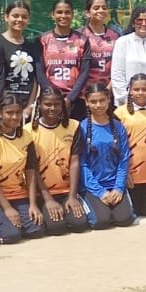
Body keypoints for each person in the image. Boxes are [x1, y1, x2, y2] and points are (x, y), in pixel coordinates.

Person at [0, 94, 45, 244]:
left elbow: (30, 171)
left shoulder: (26, 136)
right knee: (11, 236)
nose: (14, 117)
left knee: (37, 230)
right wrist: (7, 208)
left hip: (18, 193)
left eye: (18, 112)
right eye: (9, 113)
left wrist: (33, 204)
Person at [27, 87, 90, 235]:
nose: (52, 108)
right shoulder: (28, 131)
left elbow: (75, 162)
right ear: (39, 104)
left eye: (57, 104)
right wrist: (48, 199)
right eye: (47, 104)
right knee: (57, 228)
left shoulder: (73, 126)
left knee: (79, 224)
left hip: (67, 191)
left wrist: (72, 196)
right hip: (43, 192)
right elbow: (32, 169)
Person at [76, 83, 135, 229]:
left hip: (114, 184)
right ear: (86, 102)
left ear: (109, 99)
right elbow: (82, 164)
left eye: (102, 100)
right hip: (92, 187)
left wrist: (119, 188)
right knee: (101, 222)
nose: (98, 105)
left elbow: (123, 159)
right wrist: (100, 192)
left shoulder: (118, 126)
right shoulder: (82, 128)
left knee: (124, 219)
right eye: (93, 101)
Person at [115, 73, 146, 217]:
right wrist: (123, 172)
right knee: (133, 213)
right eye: (136, 89)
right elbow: (115, 146)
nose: (140, 93)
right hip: (129, 174)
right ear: (129, 91)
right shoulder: (119, 113)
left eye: (145, 89)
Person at [39, 0, 92, 120]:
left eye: (67, 12)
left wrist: (70, 98)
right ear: (52, 14)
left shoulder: (82, 40)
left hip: (75, 99)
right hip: (49, 100)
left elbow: (84, 72)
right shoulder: (42, 40)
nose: (63, 16)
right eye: (59, 12)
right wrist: (53, 96)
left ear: (72, 14)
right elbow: (40, 72)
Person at [0, 0, 39, 123]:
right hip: (4, 109)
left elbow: (34, 79)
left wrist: (29, 107)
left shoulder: (32, 46)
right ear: (6, 17)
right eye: (15, 16)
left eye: (24, 17)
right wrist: (8, 108)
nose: (19, 20)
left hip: (25, 110)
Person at [83, 0, 122, 89]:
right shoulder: (79, 36)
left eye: (104, 8)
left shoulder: (115, 36)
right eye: (96, 8)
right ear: (87, 13)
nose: (101, 10)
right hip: (85, 91)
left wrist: (109, 88)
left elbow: (120, 65)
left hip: (110, 89)